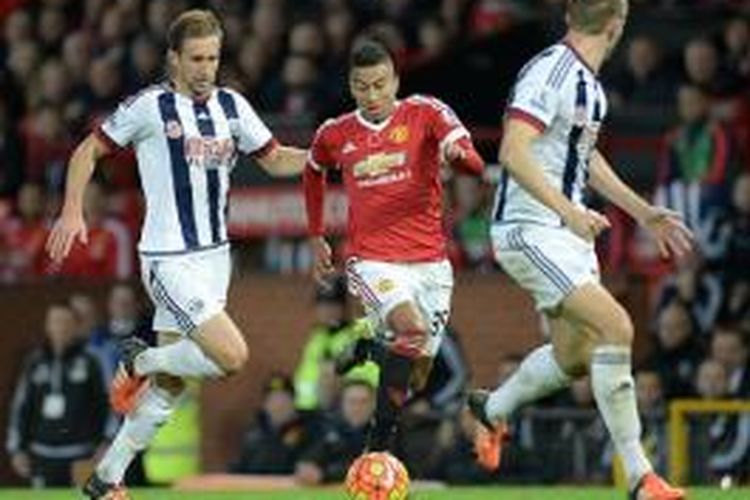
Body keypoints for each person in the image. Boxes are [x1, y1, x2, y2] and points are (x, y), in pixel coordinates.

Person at [45, 10, 307, 498]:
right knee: (231, 357)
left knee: (168, 389)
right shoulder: (149, 107)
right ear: (174, 59)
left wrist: (322, 158)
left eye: (213, 57)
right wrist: (72, 211)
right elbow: (87, 151)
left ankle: (106, 479)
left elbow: (274, 159)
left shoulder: (232, 106)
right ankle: (140, 361)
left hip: (214, 260)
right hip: (168, 258)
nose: (207, 68)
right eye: (197, 59)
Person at [467, 1, 692, 499]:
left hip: (564, 230)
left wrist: (642, 210)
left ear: (571, 14)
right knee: (617, 327)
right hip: (528, 227)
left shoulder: (587, 83)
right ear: (618, 25)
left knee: (574, 359)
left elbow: (582, 157)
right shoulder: (553, 70)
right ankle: (641, 477)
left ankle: (494, 407)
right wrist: (567, 211)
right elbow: (512, 151)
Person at [303, 36, 484, 453]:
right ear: (351, 86)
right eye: (363, 86)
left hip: (431, 264)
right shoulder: (336, 133)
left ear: (396, 81)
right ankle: (378, 446)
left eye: (380, 84)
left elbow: (474, 161)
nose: (373, 95)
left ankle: (370, 348)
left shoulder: (426, 112)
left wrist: (457, 155)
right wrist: (316, 235)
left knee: (416, 373)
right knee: (412, 330)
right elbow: (313, 172)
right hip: (372, 261)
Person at [6, 303, 109, 488]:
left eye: (66, 322)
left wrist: (107, 442)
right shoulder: (34, 362)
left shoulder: (91, 361)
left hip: (82, 454)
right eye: (55, 321)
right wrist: (16, 449)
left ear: (76, 327)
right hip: (42, 456)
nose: (60, 327)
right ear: (47, 326)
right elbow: (20, 407)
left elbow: (109, 405)